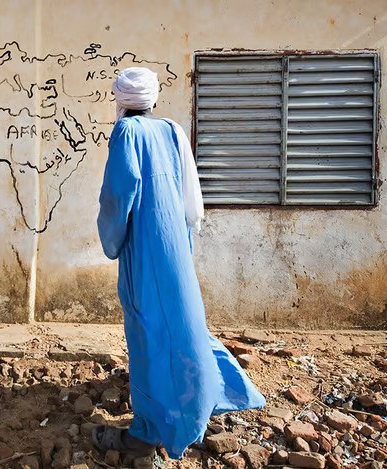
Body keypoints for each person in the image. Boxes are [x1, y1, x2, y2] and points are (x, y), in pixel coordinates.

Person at [94, 67, 266, 460]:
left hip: (146, 247)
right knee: (184, 321)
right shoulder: (171, 130)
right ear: (152, 98)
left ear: (120, 100)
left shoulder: (126, 133)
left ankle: (148, 432)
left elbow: (118, 196)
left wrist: (112, 241)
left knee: (148, 330)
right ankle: (206, 394)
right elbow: (190, 194)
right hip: (176, 242)